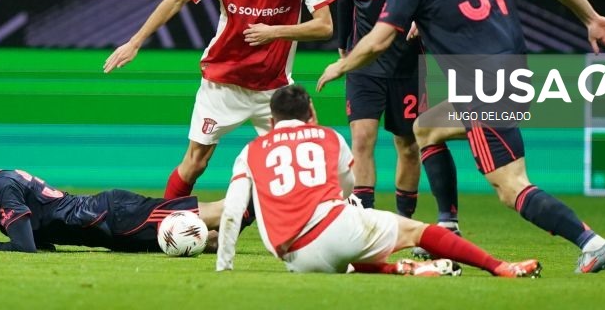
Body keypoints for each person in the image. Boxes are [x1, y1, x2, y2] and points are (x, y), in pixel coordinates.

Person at [317, 0, 605, 274]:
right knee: (426, 127)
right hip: (513, 76)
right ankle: (447, 224)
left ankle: (591, 242)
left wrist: (343, 64)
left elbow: (379, 40)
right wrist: (590, 19)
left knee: (511, 187)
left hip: (484, 88)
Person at [103, 0, 335, 199]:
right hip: (222, 83)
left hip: (273, 87)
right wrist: (135, 42)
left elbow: (325, 26)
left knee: (308, 152)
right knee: (196, 163)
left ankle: (317, 228)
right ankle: (162, 224)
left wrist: (275, 32)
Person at [216, 85, 541, 277]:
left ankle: (403, 269)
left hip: (296, 258)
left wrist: (224, 268)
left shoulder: (251, 150)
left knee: (345, 257)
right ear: (310, 113)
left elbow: (232, 210)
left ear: (272, 121)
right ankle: (499, 267)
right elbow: (347, 187)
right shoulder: (327, 137)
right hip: (338, 229)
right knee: (417, 231)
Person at [336, 0, 446, 219]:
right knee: (363, 140)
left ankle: (403, 223)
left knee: (408, 146)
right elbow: (345, 2)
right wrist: (343, 46)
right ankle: (366, 223)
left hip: (407, 63)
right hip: (364, 62)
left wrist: (420, 21)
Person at [0, 158, 242, 253]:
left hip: (114, 215)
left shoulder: (1, 188)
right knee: (208, 240)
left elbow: (27, 249)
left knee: (221, 210)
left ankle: (268, 197)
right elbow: (45, 245)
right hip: (108, 232)